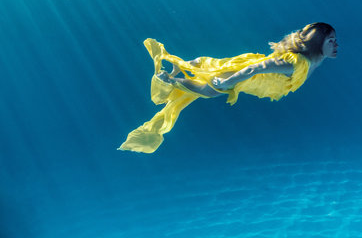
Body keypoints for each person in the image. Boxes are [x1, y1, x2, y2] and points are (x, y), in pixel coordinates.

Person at [118, 22, 338, 153]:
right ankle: (168, 78)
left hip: (250, 77)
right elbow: (256, 68)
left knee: (208, 71)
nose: (336, 45)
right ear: (318, 43)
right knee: (209, 90)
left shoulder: (313, 60)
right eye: (331, 41)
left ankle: (182, 70)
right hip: (245, 74)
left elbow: (313, 52)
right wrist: (226, 83)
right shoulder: (294, 63)